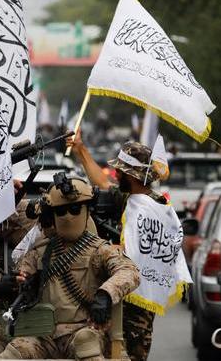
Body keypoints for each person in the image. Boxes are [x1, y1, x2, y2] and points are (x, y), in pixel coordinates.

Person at [0, 176, 140, 360]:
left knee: (86, 344)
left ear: (87, 210)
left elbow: (129, 271)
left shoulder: (100, 250)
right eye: (60, 211)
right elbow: (21, 281)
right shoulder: (40, 251)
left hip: (83, 329)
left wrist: (105, 295)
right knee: (13, 351)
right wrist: (7, 288)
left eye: (75, 209)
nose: (68, 216)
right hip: (42, 333)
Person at [68, 134, 168, 361]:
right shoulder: (131, 198)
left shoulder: (156, 206)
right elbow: (102, 183)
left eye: (121, 171)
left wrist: (118, 249)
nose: (116, 174)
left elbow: (149, 250)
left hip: (140, 299)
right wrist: (80, 150)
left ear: (132, 175)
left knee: (132, 354)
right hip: (122, 289)